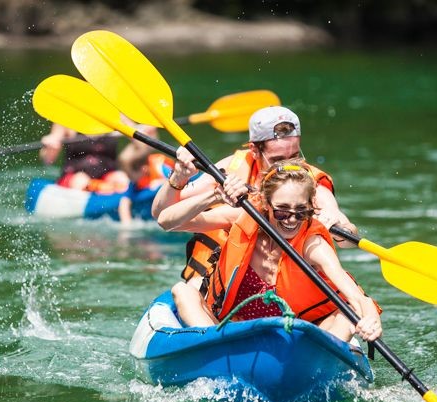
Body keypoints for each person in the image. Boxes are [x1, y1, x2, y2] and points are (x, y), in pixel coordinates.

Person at [158, 161, 382, 343]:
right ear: (266, 203)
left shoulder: (312, 244)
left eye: (301, 211)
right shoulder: (243, 218)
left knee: (347, 315)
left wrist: (371, 318)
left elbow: (355, 296)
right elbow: (166, 221)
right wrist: (215, 196)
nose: (292, 220)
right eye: (282, 211)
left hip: (295, 341)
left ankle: (313, 368)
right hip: (233, 334)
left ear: (311, 206)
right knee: (183, 291)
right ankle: (216, 351)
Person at [152, 106, 356, 289]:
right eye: (277, 159)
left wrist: (339, 229)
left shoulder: (310, 183)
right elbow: (163, 214)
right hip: (222, 274)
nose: (285, 167)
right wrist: (178, 179)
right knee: (193, 287)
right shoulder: (229, 170)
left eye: (293, 157)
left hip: (283, 281)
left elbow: (348, 239)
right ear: (254, 150)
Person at [40, 123, 173, 223]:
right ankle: (112, 203)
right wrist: (50, 146)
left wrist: (146, 135)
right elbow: (47, 160)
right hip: (75, 175)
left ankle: (123, 205)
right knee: (81, 180)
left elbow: (140, 143)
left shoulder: (114, 115)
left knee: (122, 179)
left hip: (108, 175)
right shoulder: (67, 118)